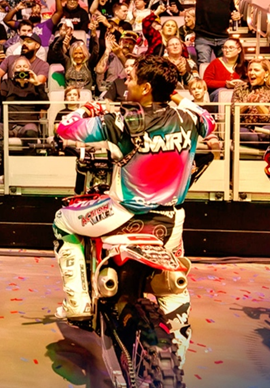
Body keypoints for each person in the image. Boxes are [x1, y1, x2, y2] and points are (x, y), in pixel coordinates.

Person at [52, 55, 217, 368]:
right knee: (174, 287)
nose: (124, 83)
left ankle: (77, 300)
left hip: (124, 214)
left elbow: (65, 129)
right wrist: (177, 96)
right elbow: (209, 121)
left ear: (146, 87)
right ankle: (176, 365)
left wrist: (86, 109)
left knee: (62, 220)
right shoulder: (191, 118)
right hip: (170, 221)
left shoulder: (123, 120)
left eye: (130, 79)